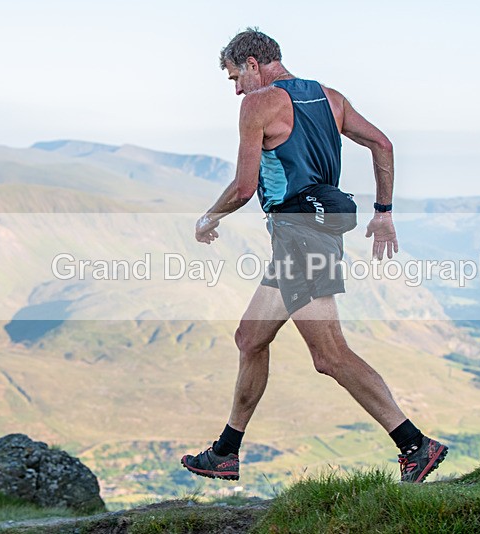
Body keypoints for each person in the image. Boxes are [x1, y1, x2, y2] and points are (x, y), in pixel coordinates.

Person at [181, 28, 447, 484]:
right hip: (310, 233)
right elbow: (382, 144)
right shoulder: (330, 98)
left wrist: (209, 217)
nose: (236, 89)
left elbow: (245, 187)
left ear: (251, 64)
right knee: (250, 339)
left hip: (300, 235)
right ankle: (226, 452)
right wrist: (383, 213)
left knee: (330, 356)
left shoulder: (258, 104)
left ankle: (415, 445)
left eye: (234, 78)